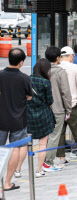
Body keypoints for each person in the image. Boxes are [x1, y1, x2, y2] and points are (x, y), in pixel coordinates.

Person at [0, 48, 32, 191]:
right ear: (21, 62)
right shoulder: (24, 78)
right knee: (15, 148)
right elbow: (29, 96)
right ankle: (7, 182)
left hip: (1, 118)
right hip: (18, 120)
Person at [25, 59, 56, 177]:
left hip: (28, 115)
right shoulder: (45, 82)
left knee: (26, 144)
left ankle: (18, 170)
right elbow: (50, 101)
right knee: (43, 144)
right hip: (43, 116)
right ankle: (39, 170)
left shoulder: (27, 79)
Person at [44, 46, 71, 172]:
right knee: (54, 136)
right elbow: (65, 92)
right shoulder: (60, 72)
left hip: (43, 108)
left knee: (45, 137)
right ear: (57, 58)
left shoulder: (41, 70)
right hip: (57, 108)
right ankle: (48, 163)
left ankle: (42, 162)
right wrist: (68, 109)